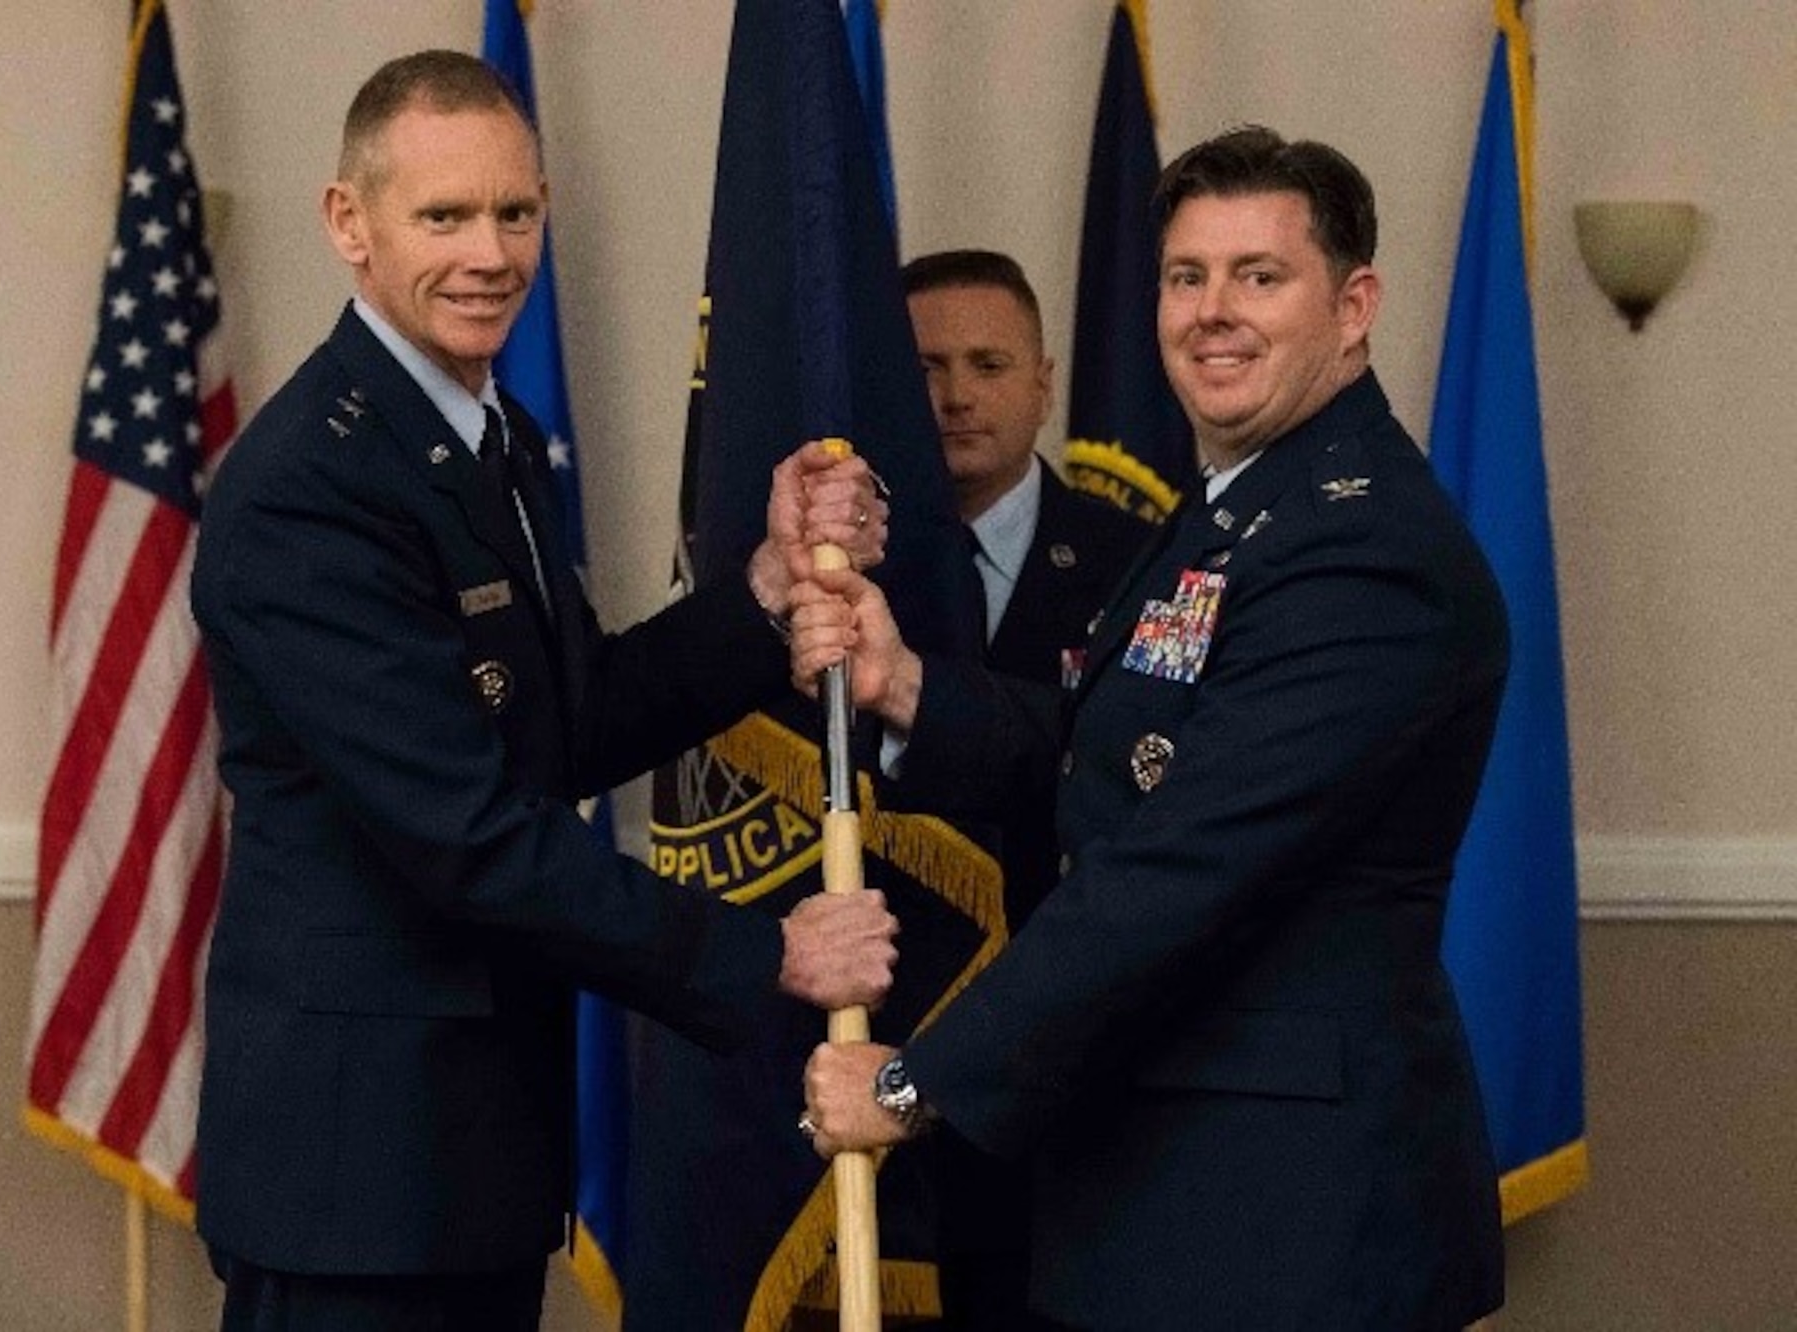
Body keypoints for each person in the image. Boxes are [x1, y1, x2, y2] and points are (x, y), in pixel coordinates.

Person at [190, 50, 899, 1332]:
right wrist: (763, 952)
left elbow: (562, 725)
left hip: (467, 1155)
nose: (489, 253)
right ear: (348, 224)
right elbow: (459, 831)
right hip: (355, 1178)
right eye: (442, 216)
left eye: (515, 213)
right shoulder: (310, 486)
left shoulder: (489, 439)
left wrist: (760, 597)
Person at [792, 126, 1508, 1331]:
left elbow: (1182, 863)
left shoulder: (1363, 548)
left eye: (1258, 276)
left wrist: (916, 1081)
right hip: (1169, 1201)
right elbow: (1115, 755)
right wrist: (906, 683)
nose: (1212, 313)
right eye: (1187, 278)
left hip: (1282, 1227)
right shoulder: (1236, 515)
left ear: (1353, 304)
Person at [899, 249, 1147, 1329]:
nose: (955, 394)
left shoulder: (1138, 567)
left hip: (1076, 1065)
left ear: (1043, 380)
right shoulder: (833, 574)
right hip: (890, 1041)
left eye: (987, 363)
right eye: (926, 365)